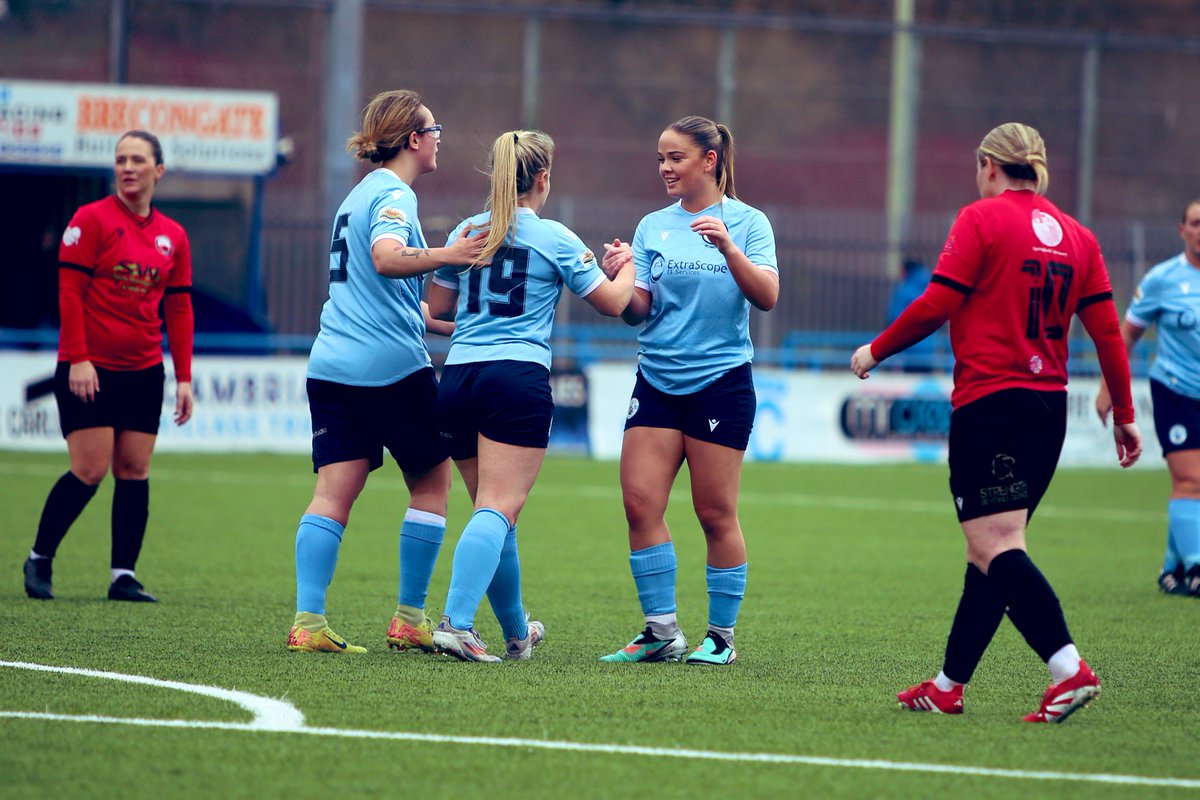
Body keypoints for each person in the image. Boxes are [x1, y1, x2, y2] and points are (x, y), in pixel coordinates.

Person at [850, 122, 1142, 722]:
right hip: (1047, 408)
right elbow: (1108, 332)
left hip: (991, 404)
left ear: (988, 164)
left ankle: (1068, 671)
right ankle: (947, 686)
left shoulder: (980, 219)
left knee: (996, 544)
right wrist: (1126, 413)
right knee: (990, 553)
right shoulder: (1078, 236)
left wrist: (875, 350)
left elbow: (936, 302)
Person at [285, 89, 487, 654]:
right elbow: (386, 257)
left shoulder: (357, 195)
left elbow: (387, 298)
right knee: (431, 482)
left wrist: (455, 329)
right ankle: (408, 618)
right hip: (392, 372)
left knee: (332, 494)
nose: (440, 136)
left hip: (332, 365)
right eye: (434, 128)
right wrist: (450, 254)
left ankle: (308, 622)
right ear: (415, 139)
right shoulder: (396, 195)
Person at [425, 129, 635, 662]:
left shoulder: (467, 230)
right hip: (515, 379)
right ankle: (455, 622)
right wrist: (628, 264)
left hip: (458, 379)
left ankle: (518, 633)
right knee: (498, 506)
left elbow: (436, 312)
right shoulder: (555, 237)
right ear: (541, 178)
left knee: (494, 513)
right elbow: (614, 303)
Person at [598, 115, 779, 666]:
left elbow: (767, 296)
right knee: (639, 504)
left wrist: (729, 249)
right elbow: (640, 311)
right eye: (660, 158)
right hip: (657, 379)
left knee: (715, 513)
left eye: (675, 158)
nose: (664, 168)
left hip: (720, 384)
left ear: (710, 160)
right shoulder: (654, 225)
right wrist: (620, 277)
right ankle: (660, 632)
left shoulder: (748, 223)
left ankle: (720, 638)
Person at [22, 129, 194, 603]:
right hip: (89, 366)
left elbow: (178, 310)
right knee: (90, 469)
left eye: (138, 159)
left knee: (134, 470)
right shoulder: (90, 220)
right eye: (121, 159)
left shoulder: (173, 236)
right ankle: (39, 557)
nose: (128, 167)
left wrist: (183, 378)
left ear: (158, 170)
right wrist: (78, 358)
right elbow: (69, 293)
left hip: (143, 371)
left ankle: (123, 575)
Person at [1096, 198, 1200, 597]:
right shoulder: (1163, 279)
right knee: (1189, 479)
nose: (1199, 229)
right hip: (1175, 389)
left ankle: (1172, 566)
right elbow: (1127, 336)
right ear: (1182, 230)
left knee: (1195, 484)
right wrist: (1109, 388)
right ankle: (1196, 568)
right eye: (1194, 223)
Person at [885, 258, 939, 372]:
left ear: (905, 271)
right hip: (928, 352)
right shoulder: (929, 288)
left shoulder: (903, 291)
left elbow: (895, 319)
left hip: (907, 351)